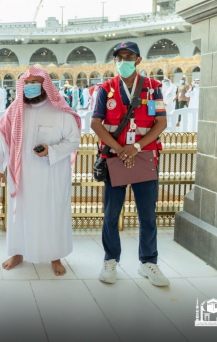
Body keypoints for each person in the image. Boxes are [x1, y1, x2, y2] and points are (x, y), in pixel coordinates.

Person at [90, 41, 169, 287]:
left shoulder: (153, 88)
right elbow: (95, 124)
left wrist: (135, 147)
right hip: (114, 158)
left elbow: (161, 123)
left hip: (144, 157)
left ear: (138, 59)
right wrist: (118, 148)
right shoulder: (105, 89)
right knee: (111, 213)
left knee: (147, 215)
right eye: (119, 57)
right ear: (115, 61)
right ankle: (110, 260)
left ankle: (148, 262)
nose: (124, 60)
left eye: (129, 56)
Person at [0, 66, 81, 276]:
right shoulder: (15, 110)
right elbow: (3, 141)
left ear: (45, 85)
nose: (30, 87)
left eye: (35, 82)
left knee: (52, 214)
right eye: (27, 83)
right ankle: (17, 253)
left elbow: (73, 140)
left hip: (51, 176)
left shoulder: (60, 110)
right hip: (21, 176)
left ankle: (55, 256)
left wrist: (51, 151)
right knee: (20, 215)